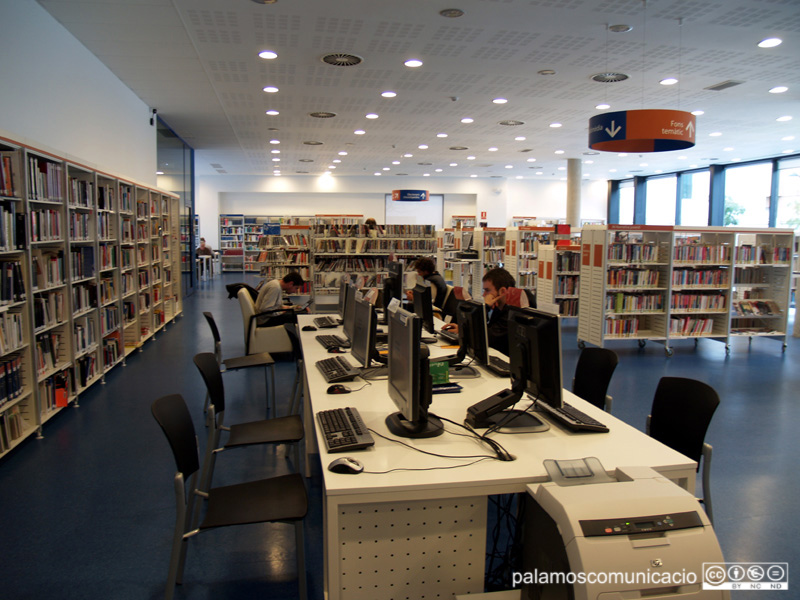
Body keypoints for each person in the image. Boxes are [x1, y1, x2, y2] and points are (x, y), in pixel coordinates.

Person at [441, 267, 516, 355]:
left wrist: (485, 307)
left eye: (487, 290)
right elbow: (485, 329)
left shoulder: (512, 313)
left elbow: (487, 337)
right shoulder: (498, 308)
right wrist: (462, 329)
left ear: (502, 291)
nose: (484, 295)